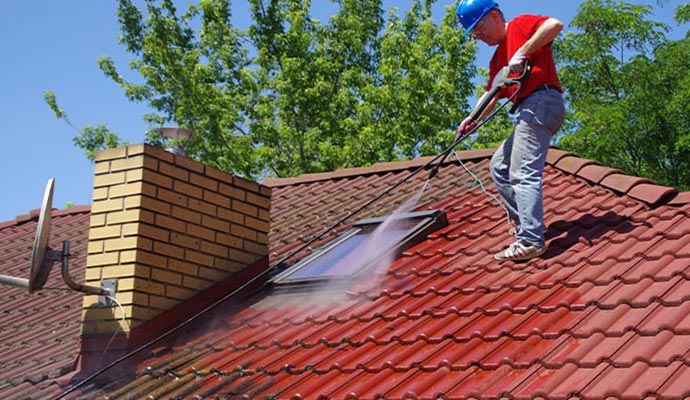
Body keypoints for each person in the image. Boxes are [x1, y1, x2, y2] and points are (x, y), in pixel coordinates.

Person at [455, 0, 565, 262]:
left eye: (478, 29)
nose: (478, 37)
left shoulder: (520, 25)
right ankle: (526, 225)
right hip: (530, 108)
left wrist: (524, 51)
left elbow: (554, 25)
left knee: (522, 170)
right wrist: (470, 119)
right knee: (500, 167)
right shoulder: (496, 61)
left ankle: (530, 239)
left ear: (494, 16)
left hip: (541, 101)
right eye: (473, 34)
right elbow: (492, 94)